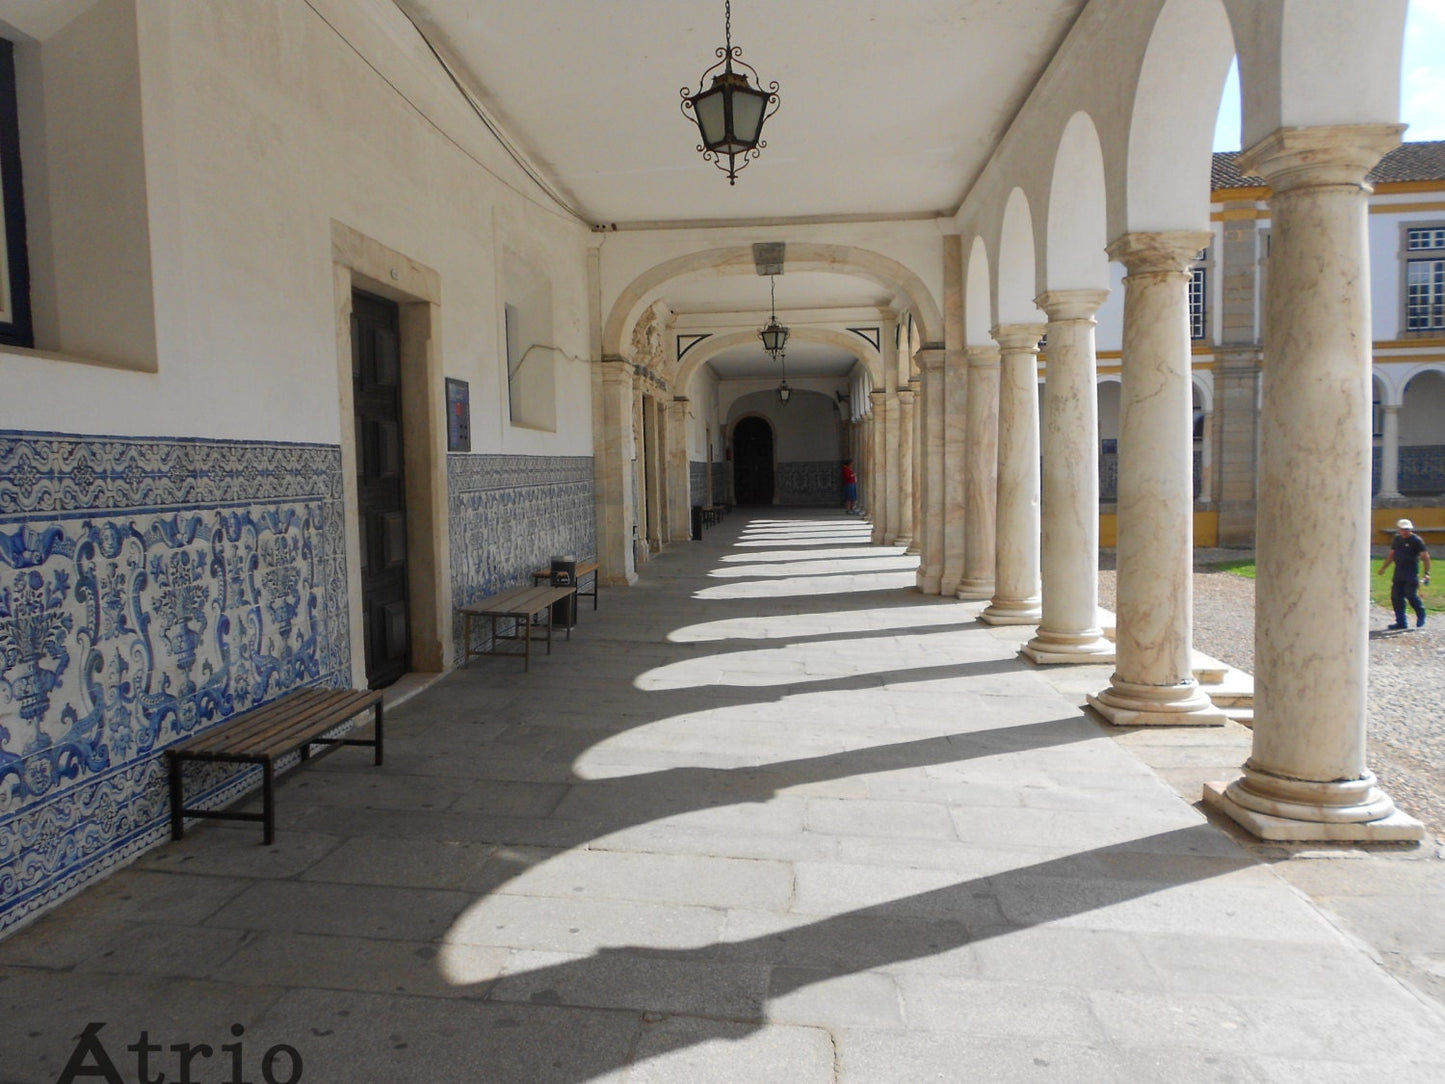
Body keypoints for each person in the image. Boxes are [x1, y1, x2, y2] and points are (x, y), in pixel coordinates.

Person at [1379, 518, 1431, 630]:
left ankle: (1421, 614)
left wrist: (1427, 573)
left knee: (1411, 595)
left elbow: (1425, 557)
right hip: (1399, 572)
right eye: (1402, 529)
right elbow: (1391, 555)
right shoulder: (1397, 540)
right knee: (1396, 597)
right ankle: (1401, 621)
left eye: (1407, 529)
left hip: (1411, 573)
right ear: (1399, 530)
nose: (1405, 531)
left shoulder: (1416, 540)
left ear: (1410, 529)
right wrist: (1384, 568)